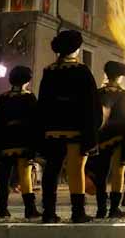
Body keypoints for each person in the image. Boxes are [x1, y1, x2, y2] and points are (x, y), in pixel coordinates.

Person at [37, 30, 101, 223]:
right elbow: (91, 103)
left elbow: (43, 102)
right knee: (76, 170)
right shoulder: (82, 71)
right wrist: (93, 126)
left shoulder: (49, 71)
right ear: (77, 49)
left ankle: (48, 212)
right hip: (76, 129)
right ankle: (77, 212)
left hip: (53, 129)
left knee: (51, 170)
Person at [0, 66, 41, 219]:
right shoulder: (29, 97)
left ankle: (2, 209)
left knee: (4, 178)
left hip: (5, 142)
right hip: (23, 141)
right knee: (25, 175)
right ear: (27, 80)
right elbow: (35, 123)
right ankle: (30, 209)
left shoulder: (4, 97)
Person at [89, 61, 125, 219]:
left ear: (106, 75)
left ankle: (101, 209)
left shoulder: (97, 93)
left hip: (101, 140)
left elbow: (92, 118)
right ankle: (114, 209)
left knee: (100, 174)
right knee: (119, 173)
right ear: (120, 77)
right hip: (120, 140)